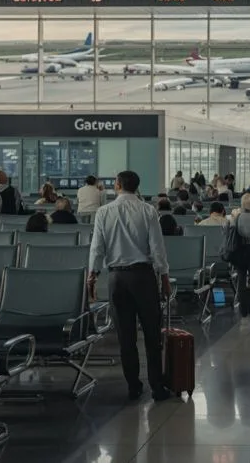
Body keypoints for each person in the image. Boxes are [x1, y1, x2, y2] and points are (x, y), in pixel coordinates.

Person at [88, 170, 172, 402]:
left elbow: (97, 247)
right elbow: (157, 248)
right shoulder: (148, 211)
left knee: (126, 337)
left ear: (117, 185)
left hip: (116, 278)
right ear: (137, 187)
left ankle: (133, 386)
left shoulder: (104, 212)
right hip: (143, 277)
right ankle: (157, 387)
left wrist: (92, 275)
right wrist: (164, 278)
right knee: (152, 334)